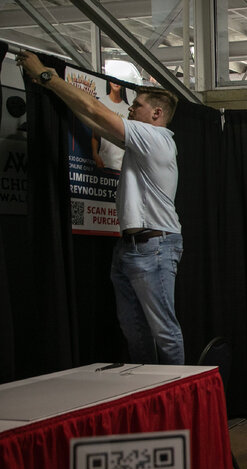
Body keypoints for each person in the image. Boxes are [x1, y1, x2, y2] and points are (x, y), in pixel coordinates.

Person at [17, 51, 186, 364]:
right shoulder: (140, 140)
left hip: (154, 246)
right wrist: (54, 89)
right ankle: (147, 396)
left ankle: (179, 405)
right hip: (131, 247)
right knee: (133, 329)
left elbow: (96, 109)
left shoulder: (155, 137)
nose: (129, 109)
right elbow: (91, 117)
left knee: (164, 330)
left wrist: (46, 75)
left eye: (136, 106)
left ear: (156, 114)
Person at [91, 80, 130, 171]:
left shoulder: (128, 109)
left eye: (119, 80)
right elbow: (95, 133)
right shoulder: (102, 102)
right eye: (113, 80)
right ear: (109, 82)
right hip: (104, 162)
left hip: (122, 165)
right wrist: (95, 154)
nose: (116, 83)